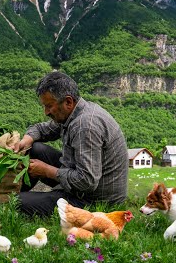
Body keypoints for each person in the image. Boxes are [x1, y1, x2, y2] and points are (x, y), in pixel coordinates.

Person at [12, 71, 128, 216]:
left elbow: (87, 181)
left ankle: (14, 197)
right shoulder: (75, 112)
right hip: (84, 182)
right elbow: (42, 129)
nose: (46, 112)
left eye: (49, 106)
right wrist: (26, 139)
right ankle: (14, 189)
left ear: (68, 102)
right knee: (35, 148)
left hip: (95, 200)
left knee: (16, 202)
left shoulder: (85, 126)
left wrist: (47, 170)